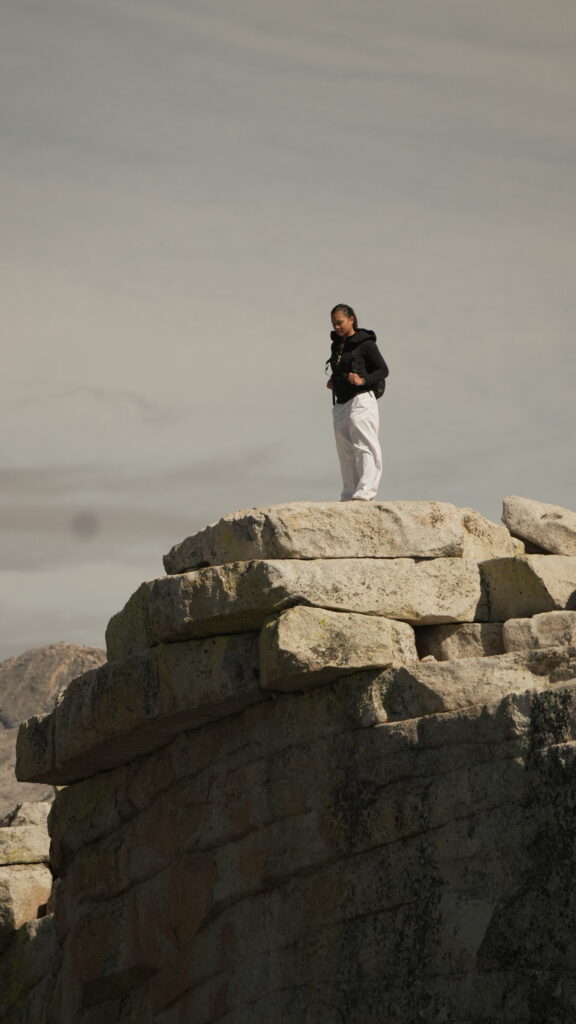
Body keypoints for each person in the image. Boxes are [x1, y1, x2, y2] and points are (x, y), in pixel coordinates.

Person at [326, 303, 389, 501]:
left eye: (340, 322)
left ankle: (366, 492)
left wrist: (363, 380)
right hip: (341, 403)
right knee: (345, 450)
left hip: (362, 399)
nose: (337, 327)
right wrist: (334, 381)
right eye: (333, 324)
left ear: (351, 318)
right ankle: (349, 494)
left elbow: (382, 370)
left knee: (364, 445)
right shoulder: (337, 345)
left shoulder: (365, 343)